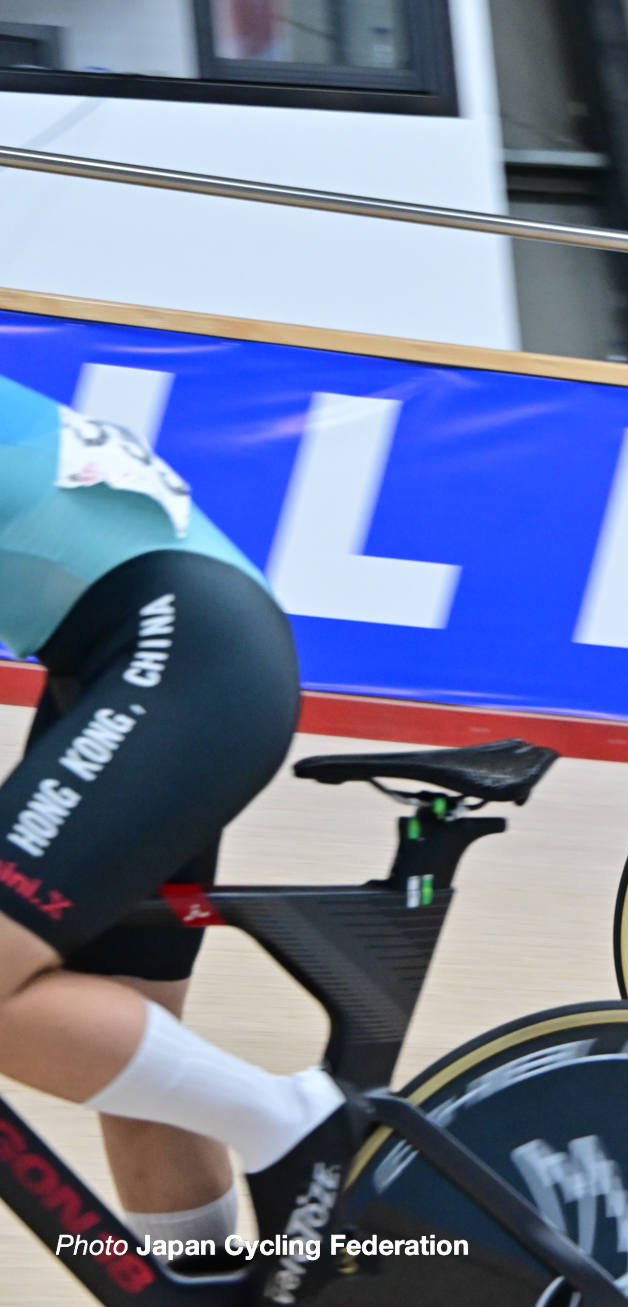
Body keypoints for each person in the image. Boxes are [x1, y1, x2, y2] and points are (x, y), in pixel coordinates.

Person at [0, 376, 361, 1295]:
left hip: (179, 653)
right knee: (130, 1046)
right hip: (149, 657)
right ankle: (211, 1285)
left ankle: (288, 1120)